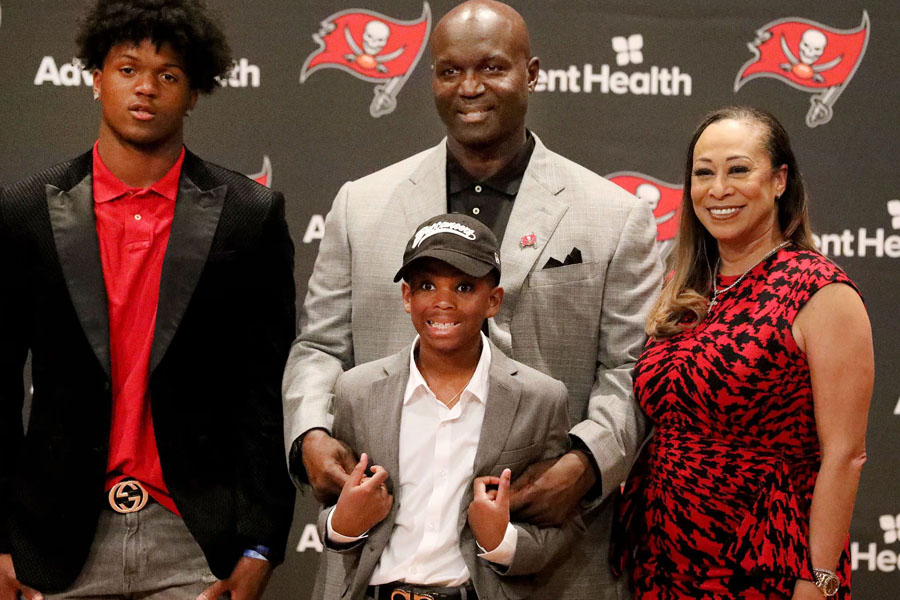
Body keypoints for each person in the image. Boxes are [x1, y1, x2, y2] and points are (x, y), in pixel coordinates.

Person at [282, 1, 663, 598]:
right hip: (380, 554)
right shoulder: (363, 205)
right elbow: (320, 346)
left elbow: (631, 367)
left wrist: (586, 464)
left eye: (491, 67)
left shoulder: (615, 216)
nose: (469, 87)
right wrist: (309, 432)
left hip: (547, 553)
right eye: (449, 71)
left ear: (531, 75)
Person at [0, 1, 296, 599]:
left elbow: (266, 393)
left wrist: (261, 544)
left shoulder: (248, 216)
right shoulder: (25, 212)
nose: (146, 88)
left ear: (193, 94)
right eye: (128, 68)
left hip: (196, 543)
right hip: (54, 541)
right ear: (95, 78)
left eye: (168, 75)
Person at [610, 106, 873, 599]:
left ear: (779, 181)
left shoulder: (820, 291)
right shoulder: (685, 286)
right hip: (662, 560)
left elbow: (845, 455)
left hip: (764, 565)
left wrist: (819, 582)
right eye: (703, 173)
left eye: (738, 170)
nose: (718, 189)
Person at [319, 214, 583, 600]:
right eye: (427, 286)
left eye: (463, 287)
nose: (443, 302)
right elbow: (333, 506)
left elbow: (563, 522)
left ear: (493, 300)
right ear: (407, 297)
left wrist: (502, 542)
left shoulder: (540, 398)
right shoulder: (357, 390)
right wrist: (343, 524)